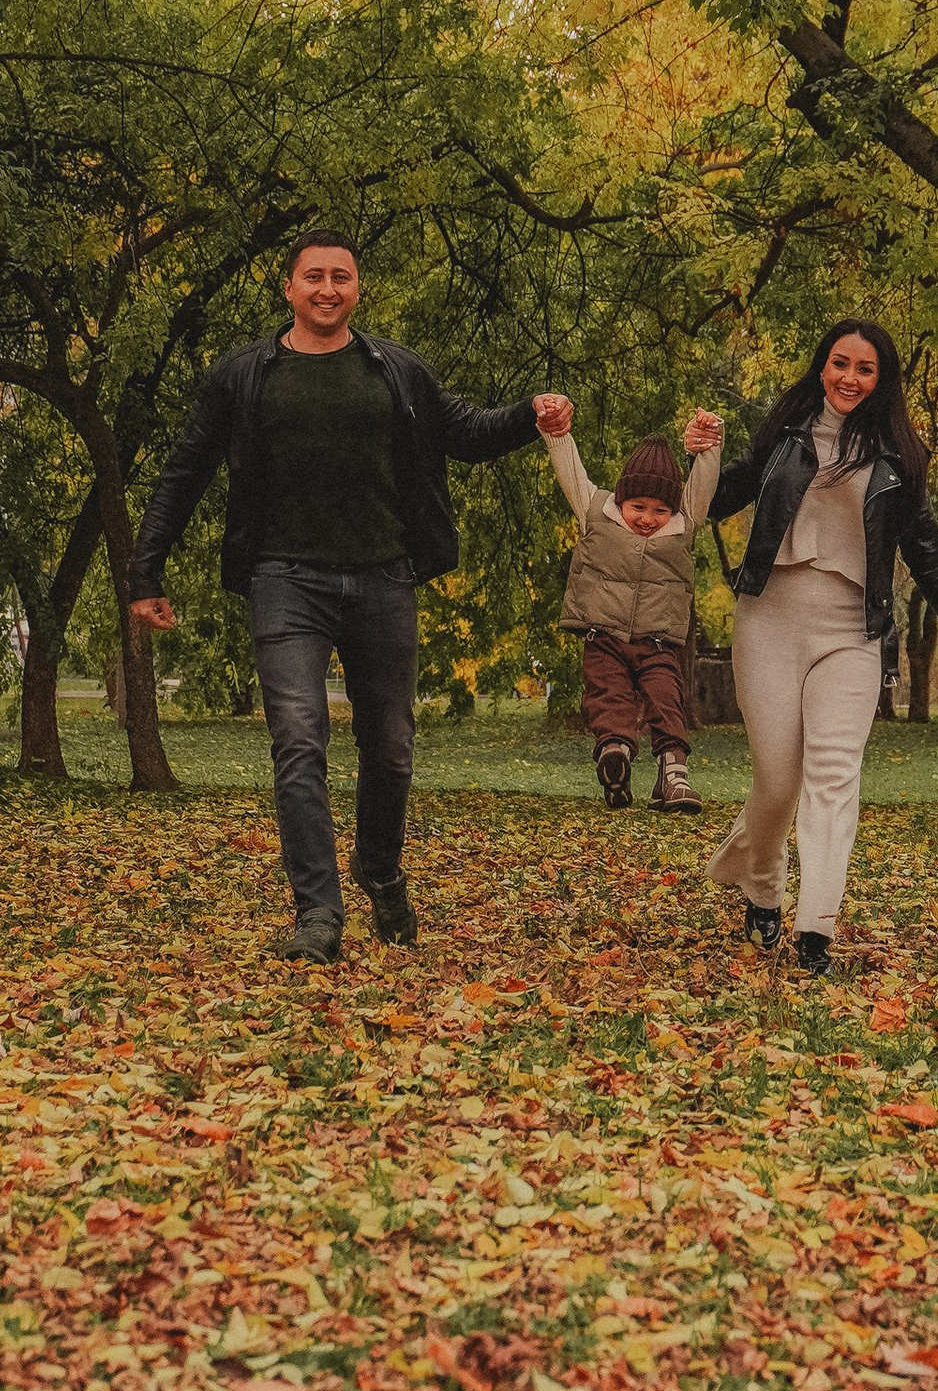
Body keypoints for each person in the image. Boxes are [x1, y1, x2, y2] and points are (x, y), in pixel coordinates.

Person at [128, 231, 566, 963]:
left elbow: (464, 433)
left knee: (390, 749)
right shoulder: (245, 375)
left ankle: (380, 869)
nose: (327, 289)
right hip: (283, 581)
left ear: (357, 289)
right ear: (289, 289)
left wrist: (531, 414)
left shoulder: (393, 369)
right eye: (314, 277)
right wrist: (146, 572)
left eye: (342, 277)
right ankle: (317, 914)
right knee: (299, 739)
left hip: (382, 579)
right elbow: (185, 470)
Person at [707, 321, 938, 978]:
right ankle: (760, 887)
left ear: (880, 381)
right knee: (778, 780)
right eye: (839, 363)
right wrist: (674, 488)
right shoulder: (782, 437)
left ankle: (815, 927)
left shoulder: (898, 459)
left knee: (833, 776)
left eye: (864, 369)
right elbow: (721, 497)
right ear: (822, 367)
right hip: (769, 619)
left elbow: (925, 552)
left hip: (851, 629)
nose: (848, 378)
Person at [541, 404, 724, 812]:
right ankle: (616, 754)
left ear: (673, 510)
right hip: (602, 637)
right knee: (608, 697)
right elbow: (570, 468)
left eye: (660, 510)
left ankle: (674, 775)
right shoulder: (596, 512)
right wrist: (556, 432)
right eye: (638, 506)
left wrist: (711, 440)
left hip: (657, 643)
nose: (648, 518)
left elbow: (702, 484)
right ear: (622, 498)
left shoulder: (684, 524)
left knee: (666, 698)